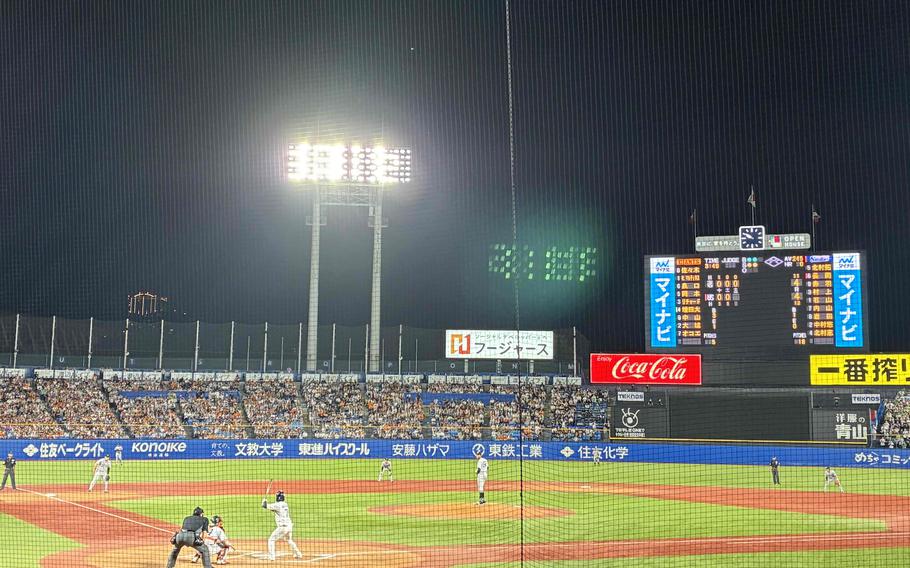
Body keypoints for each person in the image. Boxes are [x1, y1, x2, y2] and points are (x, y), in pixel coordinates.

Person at [263, 490, 303, 561]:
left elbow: (265, 506)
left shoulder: (277, 505)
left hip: (282, 527)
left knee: (271, 540)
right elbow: (273, 509)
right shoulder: (285, 504)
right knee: (289, 540)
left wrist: (264, 501)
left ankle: (271, 557)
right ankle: (298, 554)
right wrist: (265, 503)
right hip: (289, 526)